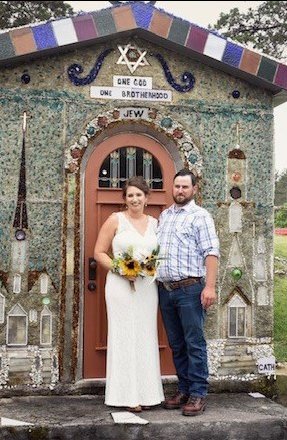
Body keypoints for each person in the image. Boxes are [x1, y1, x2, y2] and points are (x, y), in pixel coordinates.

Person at [94, 176, 164, 412]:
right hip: (120, 287)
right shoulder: (116, 220)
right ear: (124, 199)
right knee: (123, 336)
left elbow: (158, 255)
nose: (134, 199)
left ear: (147, 198)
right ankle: (125, 395)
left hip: (146, 287)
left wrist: (148, 269)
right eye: (130, 195)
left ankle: (148, 393)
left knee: (145, 336)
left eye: (139, 195)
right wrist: (122, 269)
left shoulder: (155, 223)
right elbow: (99, 252)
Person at [157, 168, 219, 416]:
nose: (180, 191)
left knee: (194, 343)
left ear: (194, 190)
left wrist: (210, 286)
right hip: (166, 290)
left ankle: (198, 393)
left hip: (190, 289)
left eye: (185, 187)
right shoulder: (165, 216)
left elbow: (211, 252)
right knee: (177, 344)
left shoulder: (200, 216)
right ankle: (183, 389)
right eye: (177, 186)